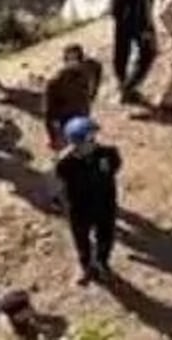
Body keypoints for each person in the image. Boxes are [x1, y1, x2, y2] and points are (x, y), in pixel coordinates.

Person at [53, 117, 122, 285]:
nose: (93, 142)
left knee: (105, 237)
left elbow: (115, 167)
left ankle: (102, 263)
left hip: (105, 205)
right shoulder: (65, 164)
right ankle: (85, 266)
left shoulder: (108, 153)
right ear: (75, 143)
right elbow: (60, 184)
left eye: (93, 138)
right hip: (79, 209)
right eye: (88, 139)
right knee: (81, 240)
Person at [44, 44, 103, 150]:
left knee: (88, 144)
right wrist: (53, 137)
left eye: (76, 58)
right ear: (64, 60)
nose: (73, 62)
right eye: (69, 59)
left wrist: (94, 92)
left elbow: (98, 68)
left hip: (83, 112)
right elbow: (48, 114)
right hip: (65, 119)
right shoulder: (56, 82)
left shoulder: (88, 67)